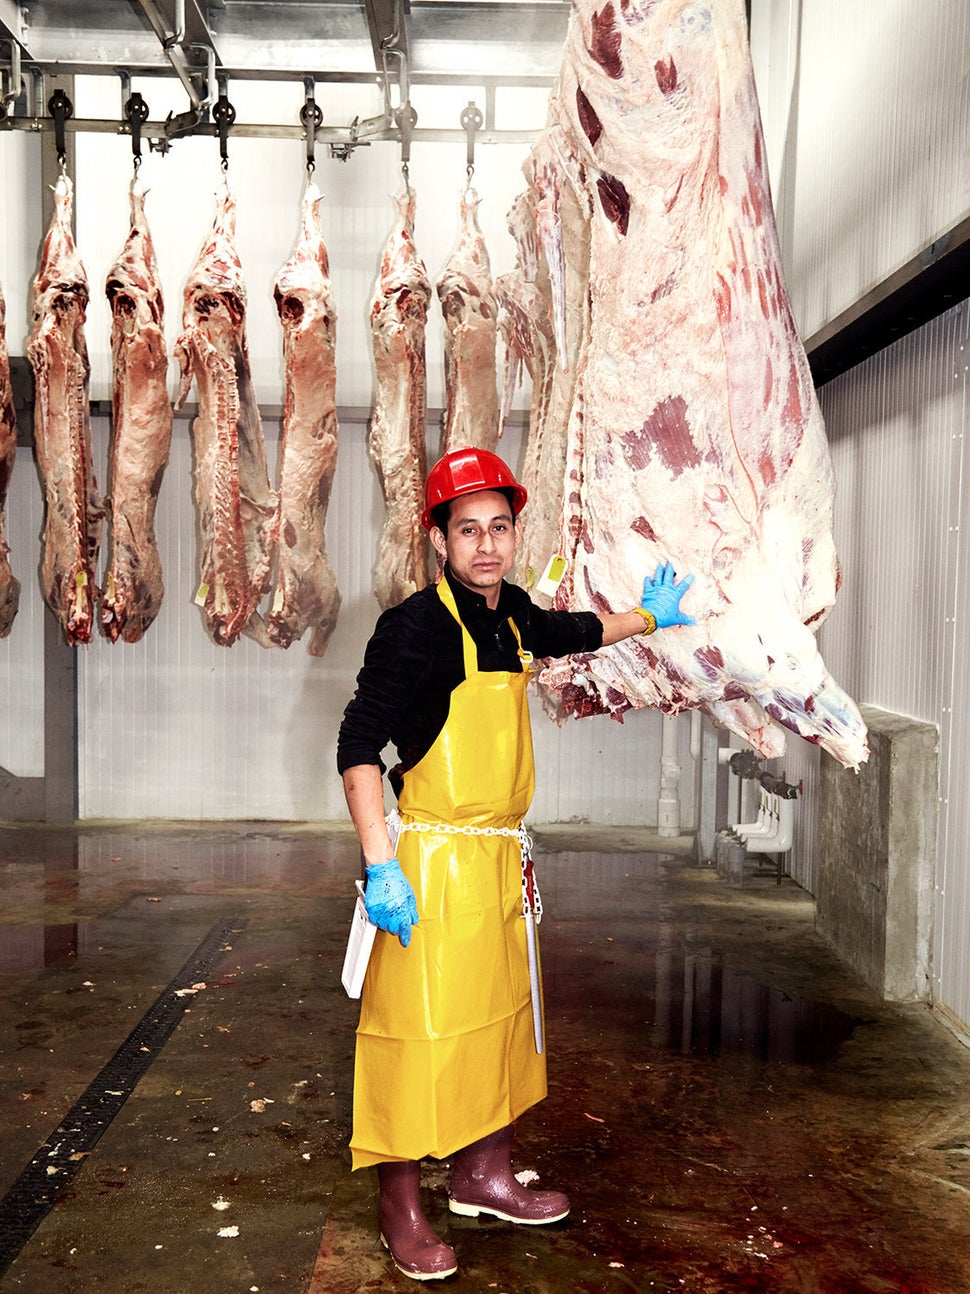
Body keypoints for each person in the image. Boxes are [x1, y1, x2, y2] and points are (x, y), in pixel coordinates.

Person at [337, 447, 694, 1281]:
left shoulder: (512, 615)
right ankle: (401, 1203)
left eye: (499, 528)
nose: (486, 546)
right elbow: (358, 746)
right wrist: (378, 862)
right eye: (468, 530)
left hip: (500, 864)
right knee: (418, 1036)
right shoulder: (414, 629)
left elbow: (573, 633)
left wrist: (648, 619)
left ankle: (482, 1173)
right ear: (439, 541)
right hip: (427, 864)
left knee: (501, 1026)